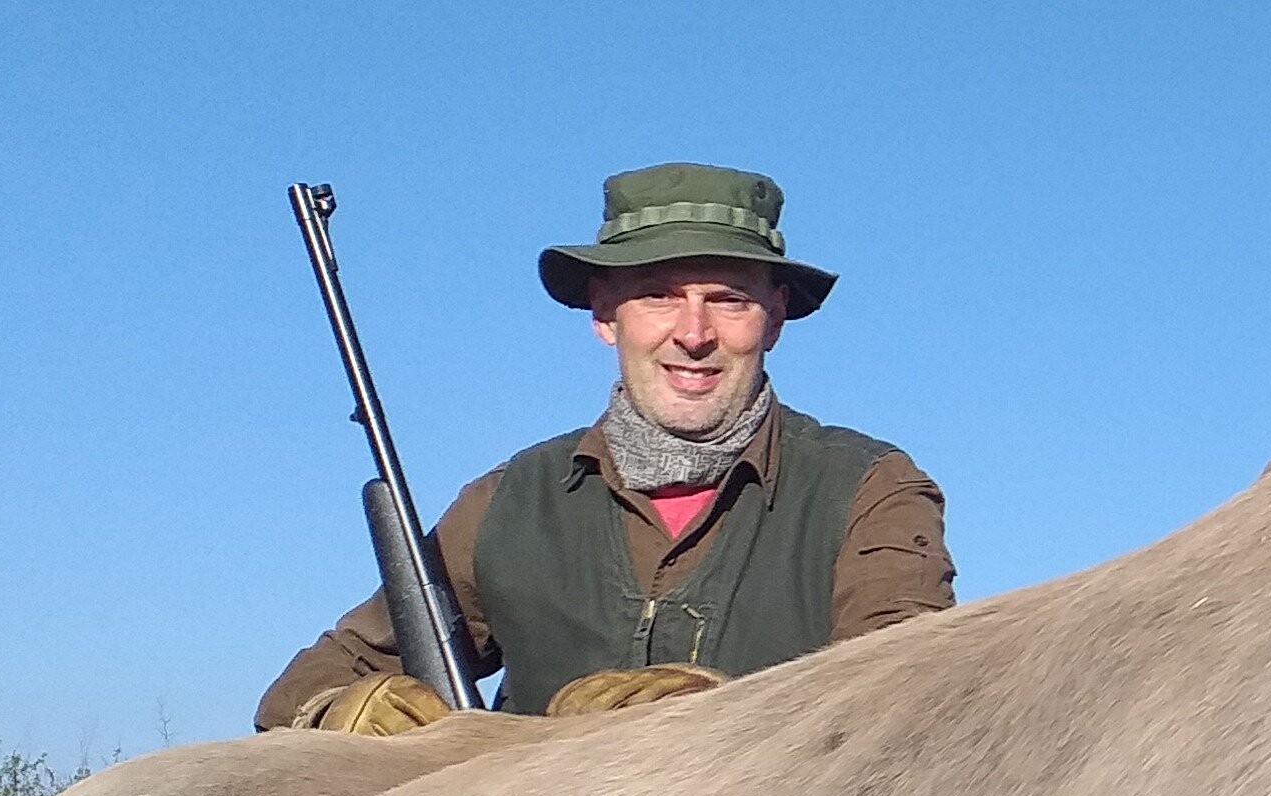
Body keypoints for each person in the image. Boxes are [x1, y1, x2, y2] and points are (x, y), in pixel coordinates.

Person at [259, 165, 953, 730]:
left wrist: (711, 709)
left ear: (773, 319)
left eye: (729, 299)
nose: (693, 332)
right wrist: (342, 710)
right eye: (656, 295)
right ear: (604, 316)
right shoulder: (509, 500)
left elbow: (907, 695)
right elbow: (304, 687)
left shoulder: (868, 488)